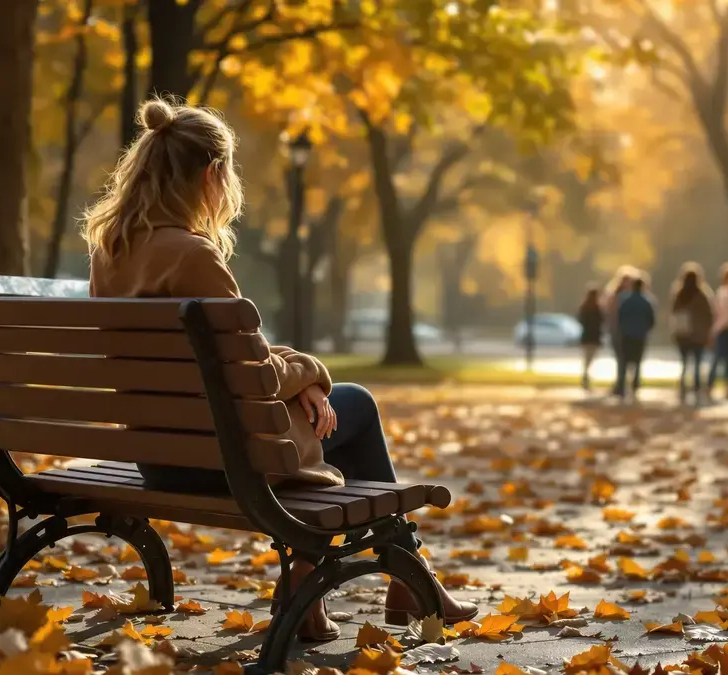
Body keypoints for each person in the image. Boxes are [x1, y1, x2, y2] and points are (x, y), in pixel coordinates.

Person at [82, 98, 477, 642]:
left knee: (319, 411)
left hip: (159, 458)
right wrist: (313, 375)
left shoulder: (109, 252)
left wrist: (301, 376)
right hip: (223, 460)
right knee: (354, 404)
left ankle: (322, 585)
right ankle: (401, 572)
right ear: (212, 173)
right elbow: (255, 375)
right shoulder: (192, 255)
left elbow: (242, 362)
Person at [669, 263, 715, 404]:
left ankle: (683, 386)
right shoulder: (703, 295)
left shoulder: (679, 294)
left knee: (684, 363)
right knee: (697, 362)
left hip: (683, 334)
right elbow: (709, 315)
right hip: (698, 335)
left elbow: (674, 313)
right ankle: (696, 387)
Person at [706, 262, 728, 400]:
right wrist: (716, 327)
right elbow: (718, 311)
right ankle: (710, 384)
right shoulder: (721, 292)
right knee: (717, 357)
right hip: (722, 328)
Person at [615, 276, 655, 399]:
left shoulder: (625, 300)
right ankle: (635, 385)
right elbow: (651, 320)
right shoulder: (646, 302)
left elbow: (619, 317)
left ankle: (621, 386)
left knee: (624, 362)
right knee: (637, 361)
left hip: (626, 334)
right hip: (640, 335)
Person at [602, 266, 636, 397]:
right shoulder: (617, 295)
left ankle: (622, 384)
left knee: (625, 359)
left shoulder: (622, 295)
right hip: (618, 330)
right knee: (621, 359)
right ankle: (621, 384)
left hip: (624, 330)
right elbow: (610, 313)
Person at [577, 284, 604, 391]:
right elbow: (602, 321)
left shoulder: (584, 307)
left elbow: (580, 320)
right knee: (590, 358)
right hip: (594, 337)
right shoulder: (598, 308)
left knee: (587, 358)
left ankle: (585, 376)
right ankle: (586, 377)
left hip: (586, 336)